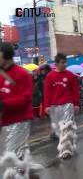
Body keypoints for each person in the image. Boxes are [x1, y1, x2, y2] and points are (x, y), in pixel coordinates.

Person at [0, 42, 43, 178]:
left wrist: (4, 104)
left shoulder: (22, 74)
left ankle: (23, 173)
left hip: (20, 120)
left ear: (6, 55)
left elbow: (25, 98)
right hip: (4, 122)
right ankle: (31, 171)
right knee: (7, 154)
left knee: (13, 155)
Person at [44, 53, 80, 160]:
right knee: (59, 130)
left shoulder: (70, 75)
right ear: (56, 64)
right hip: (55, 106)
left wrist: (77, 104)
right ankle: (68, 146)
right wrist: (46, 105)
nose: (65, 64)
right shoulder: (50, 76)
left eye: (65, 62)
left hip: (67, 104)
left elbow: (75, 91)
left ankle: (66, 151)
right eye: (63, 62)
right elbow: (47, 92)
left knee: (66, 127)